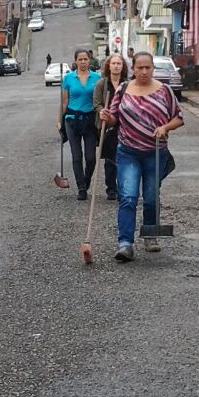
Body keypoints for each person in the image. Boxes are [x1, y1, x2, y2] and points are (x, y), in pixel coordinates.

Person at [100, 52, 184, 261]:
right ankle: (125, 243)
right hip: (128, 151)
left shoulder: (164, 91)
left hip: (155, 153)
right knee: (128, 196)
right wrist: (107, 117)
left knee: (151, 197)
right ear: (134, 68)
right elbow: (113, 119)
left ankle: (150, 235)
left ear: (153, 68)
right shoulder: (123, 89)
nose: (144, 72)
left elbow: (179, 118)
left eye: (148, 67)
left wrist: (165, 127)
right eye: (140, 68)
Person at [59, 48, 101, 200]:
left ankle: (87, 179)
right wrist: (59, 120)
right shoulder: (69, 78)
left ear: (89, 60)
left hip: (90, 120)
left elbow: (100, 100)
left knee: (91, 158)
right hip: (71, 119)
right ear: (75, 61)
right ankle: (81, 187)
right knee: (77, 156)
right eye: (80, 59)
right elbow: (64, 101)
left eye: (86, 59)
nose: (83, 62)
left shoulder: (97, 78)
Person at [93, 53, 128, 201]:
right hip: (107, 124)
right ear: (109, 66)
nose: (116, 66)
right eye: (113, 63)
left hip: (124, 124)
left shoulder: (127, 84)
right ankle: (111, 189)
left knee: (124, 156)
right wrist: (102, 111)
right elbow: (96, 102)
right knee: (110, 157)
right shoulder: (102, 83)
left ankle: (123, 188)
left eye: (119, 63)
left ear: (123, 66)